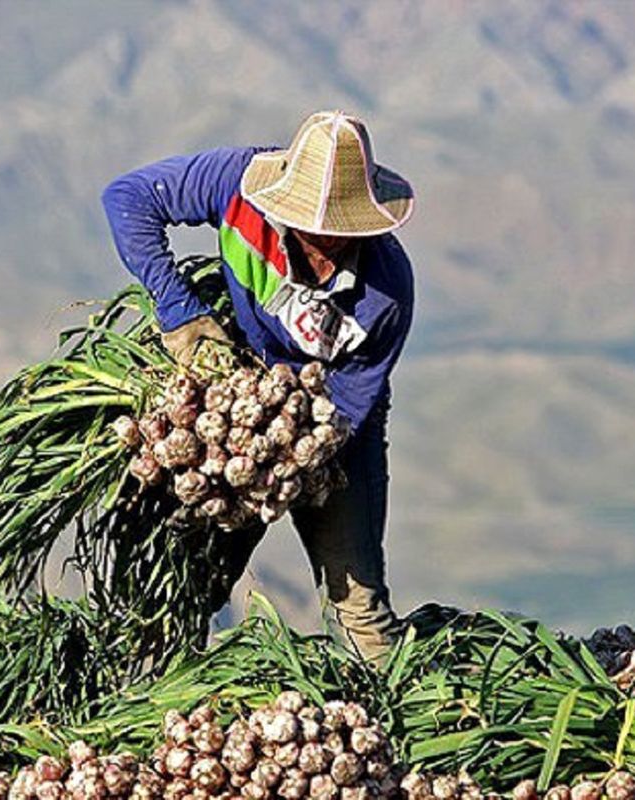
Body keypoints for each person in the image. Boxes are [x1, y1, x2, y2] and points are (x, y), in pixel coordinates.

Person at [100, 110, 415, 660]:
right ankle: (155, 699)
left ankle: (397, 724)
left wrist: (265, 462)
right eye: (311, 227)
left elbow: (343, 411)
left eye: (340, 234)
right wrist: (180, 313)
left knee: (358, 602)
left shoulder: (385, 294)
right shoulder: (239, 186)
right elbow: (127, 199)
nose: (322, 244)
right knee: (190, 584)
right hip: (239, 399)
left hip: (333, 430)